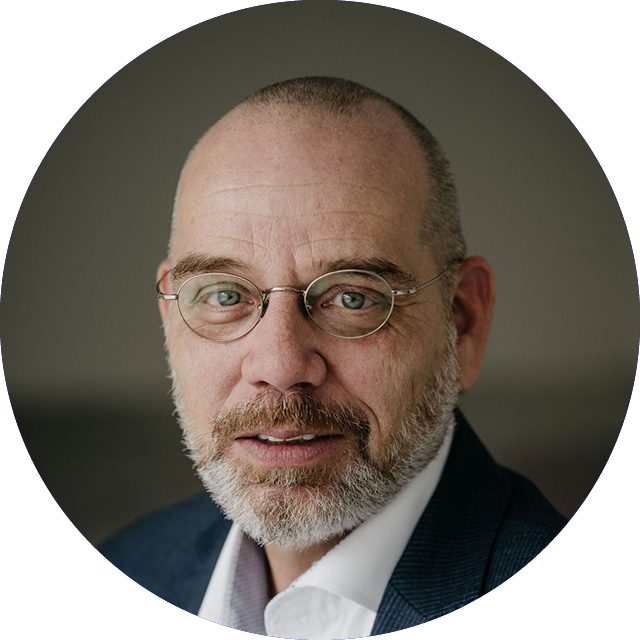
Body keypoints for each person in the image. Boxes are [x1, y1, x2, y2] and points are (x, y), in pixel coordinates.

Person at [65, 77, 640, 640]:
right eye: (223, 296)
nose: (281, 366)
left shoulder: (602, 626)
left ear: (462, 322)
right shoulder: (120, 590)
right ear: (171, 317)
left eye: (353, 298)